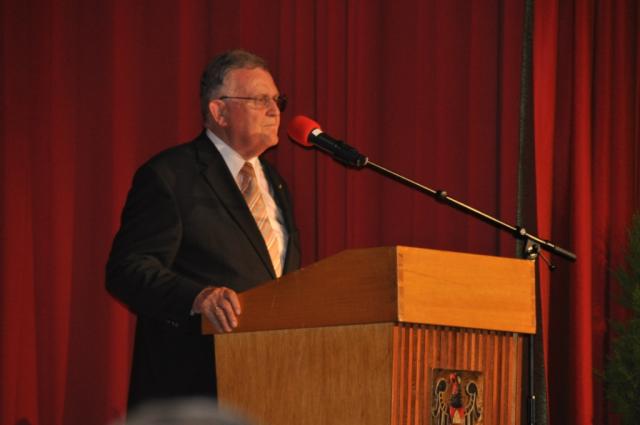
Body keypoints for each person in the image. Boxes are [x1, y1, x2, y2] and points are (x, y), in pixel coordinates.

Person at [106, 49, 301, 410]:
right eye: (260, 100)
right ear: (219, 111)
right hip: (195, 384)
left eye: (277, 100)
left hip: (271, 380)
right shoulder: (171, 175)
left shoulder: (275, 183)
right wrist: (197, 297)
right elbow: (127, 270)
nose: (275, 110)